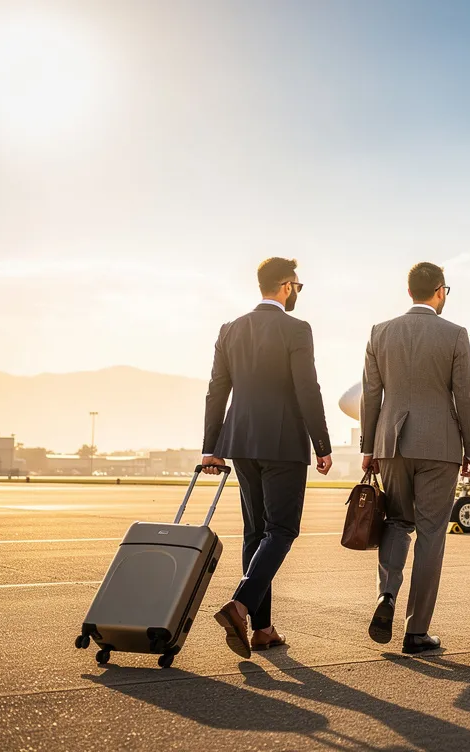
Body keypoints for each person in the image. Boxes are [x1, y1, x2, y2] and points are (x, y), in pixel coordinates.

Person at [202, 257, 332, 658]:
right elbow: (307, 388)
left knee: (255, 533)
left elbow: (217, 389)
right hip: (283, 442)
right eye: (298, 286)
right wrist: (322, 444)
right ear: (287, 286)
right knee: (282, 530)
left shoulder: (230, 329)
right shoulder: (296, 329)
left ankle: (262, 630)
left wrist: (211, 447)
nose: (297, 292)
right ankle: (240, 606)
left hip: (241, 442)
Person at [360, 262, 470, 654]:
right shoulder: (455, 334)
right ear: (440, 291)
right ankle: (416, 631)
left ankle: (387, 595)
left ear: (409, 290)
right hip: (440, 447)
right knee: (431, 534)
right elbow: (466, 396)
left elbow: (370, 394)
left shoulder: (380, 332)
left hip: (392, 443)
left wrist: (368, 448)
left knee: (397, 522)